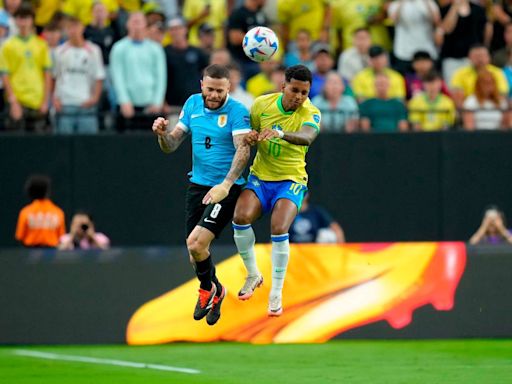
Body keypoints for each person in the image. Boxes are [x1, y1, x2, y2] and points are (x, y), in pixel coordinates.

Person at [151, 64, 251, 326]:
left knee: (196, 243)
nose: (214, 95)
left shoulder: (238, 112)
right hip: (198, 186)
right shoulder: (193, 104)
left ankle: (207, 289)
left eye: (220, 90)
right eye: (210, 89)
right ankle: (216, 289)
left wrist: (227, 185)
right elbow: (171, 145)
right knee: (194, 251)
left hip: (225, 188)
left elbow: (243, 151)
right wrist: (162, 135)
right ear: (201, 85)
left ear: (228, 88)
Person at [231, 64, 321, 317]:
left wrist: (280, 133)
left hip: (290, 179)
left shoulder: (310, 112)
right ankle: (253, 274)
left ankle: (276, 292)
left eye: (304, 92)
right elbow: (250, 134)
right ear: (283, 87)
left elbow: (307, 137)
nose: (299, 97)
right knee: (240, 218)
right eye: (295, 90)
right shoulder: (261, 105)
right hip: (261, 177)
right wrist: (250, 137)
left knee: (279, 227)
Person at [109, 12, 166, 132]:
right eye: (133, 21)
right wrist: (124, 101)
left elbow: (161, 77)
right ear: (127, 24)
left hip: (151, 105)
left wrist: (157, 101)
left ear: (145, 25)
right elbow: (117, 76)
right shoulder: (118, 48)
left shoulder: (155, 48)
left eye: (139, 21)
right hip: (127, 106)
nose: (136, 25)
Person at [0, 4, 52, 132]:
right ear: (15, 21)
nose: (23, 22)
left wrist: (46, 101)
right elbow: (5, 74)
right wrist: (13, 101)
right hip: (18, 100)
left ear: (32, 20)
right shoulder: (8, 46)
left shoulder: (41, 45)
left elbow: (47, 74)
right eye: (20, 18)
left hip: (37, 100)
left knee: (39, 145)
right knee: (17, 144)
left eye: (26, 18)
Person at [53, 15, 105, 134]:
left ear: (82, 28)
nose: (73, 30)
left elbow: (99, 77)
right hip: (66, 103)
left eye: (76, 27)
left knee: (88, 144)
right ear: (66, 30)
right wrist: (55, 98)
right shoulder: (59, 51)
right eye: (70, 27)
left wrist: (94, 98)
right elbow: (55, 76)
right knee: (64, 143)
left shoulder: (94, 50)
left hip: (86, 103)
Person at [15, 174, 66, 248]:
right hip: (52, 254)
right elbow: (61, 237)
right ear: (47, 192)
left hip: (30, 253)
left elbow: (20, 237)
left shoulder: (26, 212)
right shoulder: (58, 212)